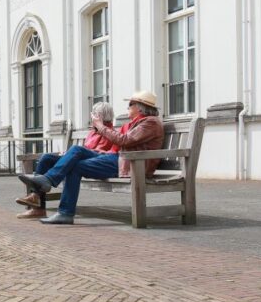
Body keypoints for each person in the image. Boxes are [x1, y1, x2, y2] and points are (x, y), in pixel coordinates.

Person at [19, 91, 164, 224]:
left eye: (130, 105)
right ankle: (49, 183)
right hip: (119, 158)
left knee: (74, 167)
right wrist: (101, 152)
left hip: (131, 164)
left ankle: (64, 211)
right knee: (75, 150)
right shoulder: (137, 123)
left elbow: (123, 141)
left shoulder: (150, 122)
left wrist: (100, 126)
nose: (127, 108)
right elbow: (121, 144)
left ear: (140, 107)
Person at [15, 101, 119, 219]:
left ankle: (48, 181)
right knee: (46, 158)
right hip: (81, 157)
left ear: (99, 116)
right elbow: (85, 149)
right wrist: (67, 154)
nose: (91, 117)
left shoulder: (110, 133)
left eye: (93, 114)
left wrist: (76, 152)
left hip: (94, 162)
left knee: (75, 150)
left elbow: (106, 155)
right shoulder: (92, 132)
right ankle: (38, 205)